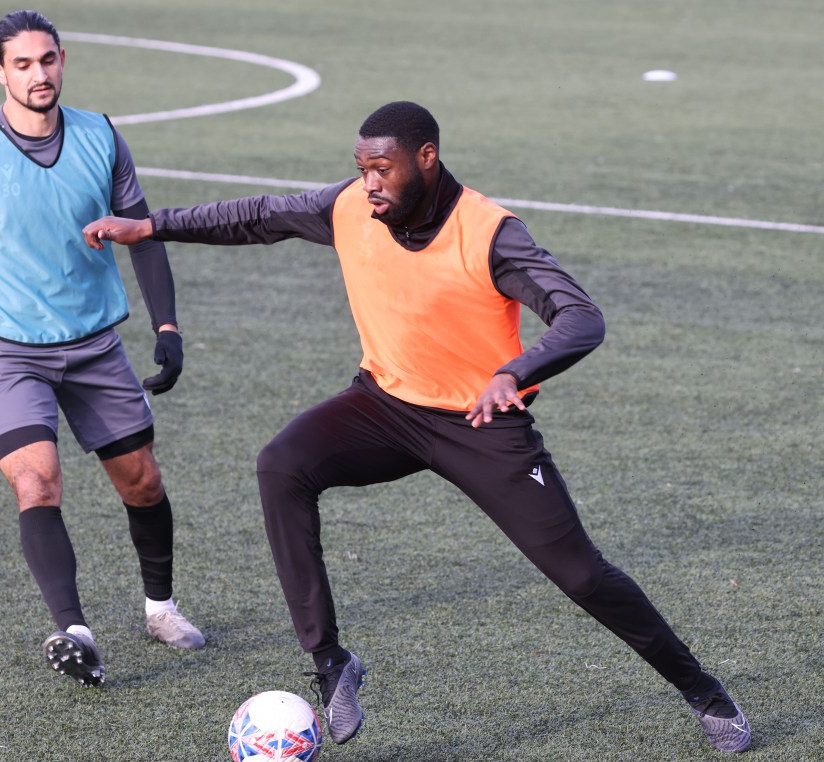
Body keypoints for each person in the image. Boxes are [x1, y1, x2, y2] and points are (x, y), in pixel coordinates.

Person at [82, 101, 751, 752]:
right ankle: (330, 664)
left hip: (481, 424)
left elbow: (581, 316)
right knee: (281, 464)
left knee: (581, 576)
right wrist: (152, 226)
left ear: (426, 158)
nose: (370, 182)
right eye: (362, 167)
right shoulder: (350, 205)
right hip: (385, 405)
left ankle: (704, 693)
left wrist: (513, 372)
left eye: (384, 169)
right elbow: (259, 215)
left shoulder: (490, 233)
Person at [0, 10, 205, 689]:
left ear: (62, 60)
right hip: (6, 350)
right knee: (36, 478)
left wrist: (166, 327)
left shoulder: (101, 135)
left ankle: (160, 610)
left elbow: (144, 232)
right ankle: (73, 630)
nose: (38, 74)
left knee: (142, 481)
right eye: (22, 64)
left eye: (47, 60)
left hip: (93, 344)